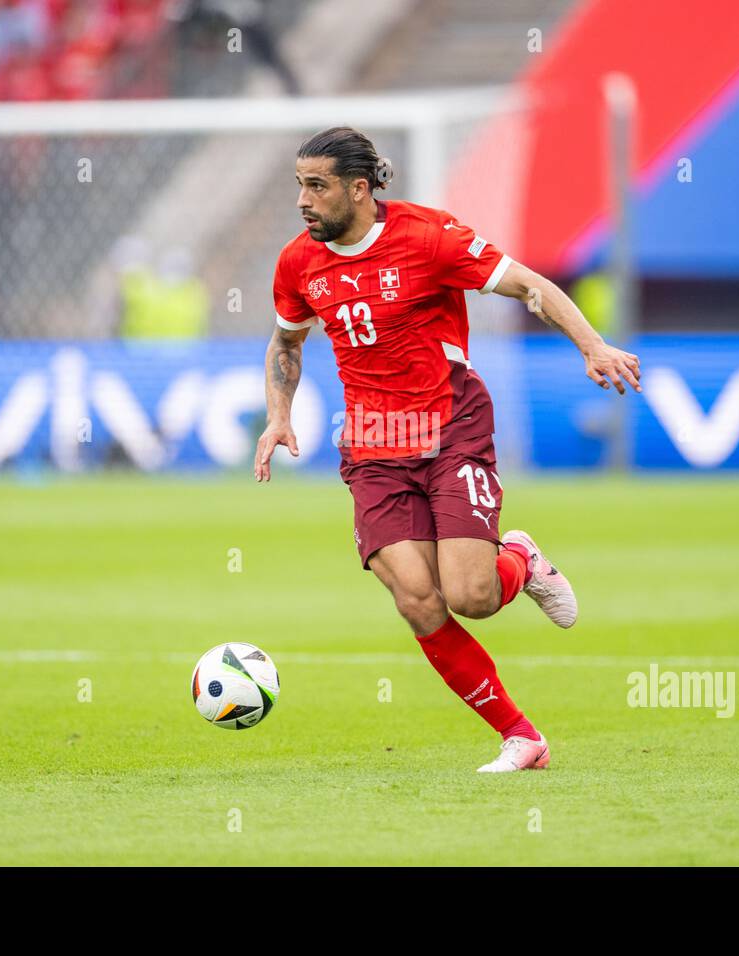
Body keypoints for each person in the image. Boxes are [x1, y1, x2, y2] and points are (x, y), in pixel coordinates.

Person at [254, 127, 641, 773]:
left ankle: (520, 558)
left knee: (473, 597)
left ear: (359, 187)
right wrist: (278, 416)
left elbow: (529, 286)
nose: (303, 199)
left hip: (449, 427)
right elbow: (287, 343)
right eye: (299, 184)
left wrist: (592, 345)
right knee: (416, 598)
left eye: (316, 185)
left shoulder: (429, 237)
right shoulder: (299, 262)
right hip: (374, 447)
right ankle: (522, 738)